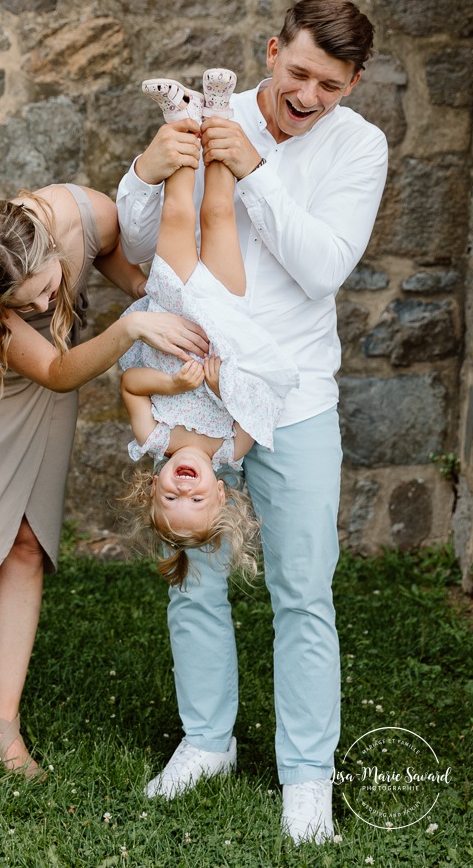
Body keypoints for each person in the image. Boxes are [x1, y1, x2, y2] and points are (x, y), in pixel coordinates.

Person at [116, 0, 388, 844]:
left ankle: (306, 776)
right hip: (190, 394)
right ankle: (206, 742)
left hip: (293, 392)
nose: (307, 95)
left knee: (301, 590)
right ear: (272, 52)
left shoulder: (360, 146)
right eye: (297, 72)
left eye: (329, 86)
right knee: (191, 578)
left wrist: (258, 172)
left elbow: (322, 270)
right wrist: (145, 166)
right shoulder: (212, 112)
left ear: (353, 84)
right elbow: (136, 242)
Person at [0, 182, 208, 778]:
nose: (45, 303)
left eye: (48, 287)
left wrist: (146, 293)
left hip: (49, 390)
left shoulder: (84, 213)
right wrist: (128, 331)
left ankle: (2, 725)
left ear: (49, 245)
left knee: (26, 543)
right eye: (26, 304)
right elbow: (55, 368)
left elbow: (110, 257)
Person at [119, 70, 298, 588]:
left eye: (172, 498)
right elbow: (257, 403)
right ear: (221, 494)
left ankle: (181, 118)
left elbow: (130, 384)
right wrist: (221, 386)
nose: (184, 490)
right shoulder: (230, 451)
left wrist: (173, 385)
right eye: (196, 500)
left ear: (153, 488)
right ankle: (219, 113)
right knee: (219, 214)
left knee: (178, 216)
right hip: (225, 318)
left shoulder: (153, 438)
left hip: (175, 311)